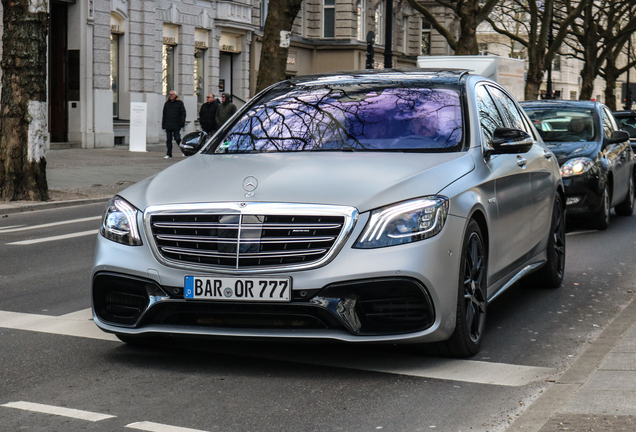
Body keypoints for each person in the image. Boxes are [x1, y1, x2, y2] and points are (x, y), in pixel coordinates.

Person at [162, 90, 186, 159]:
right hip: (168, 124)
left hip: (176, 124)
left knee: (177, 138)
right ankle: (169, 154)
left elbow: (183, 113)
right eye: (170, 94)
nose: (171, 96)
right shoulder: (167, 104)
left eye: (172, 94)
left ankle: (183, 151)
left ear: (175, 95)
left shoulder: (179, 103)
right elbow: (164, 114)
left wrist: (182, 123)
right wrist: (163, 124)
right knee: (168, 140)